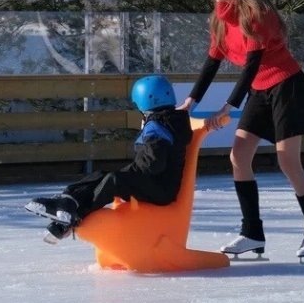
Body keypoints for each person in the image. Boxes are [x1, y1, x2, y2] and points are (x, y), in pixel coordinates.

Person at [177, 0, 304, 261]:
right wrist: (191, 100)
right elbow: (212, 61)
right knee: (239, 155)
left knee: (288, 161)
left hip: (286, 85)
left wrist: (227, 106)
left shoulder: (257, 13)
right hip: (260, 90)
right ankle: (252, 233)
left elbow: (251, 66)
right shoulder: (220, 18)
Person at [25, 75, 193, 243]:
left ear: (145, 101)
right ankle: (68, 201)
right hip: (161, 185)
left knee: (113, 180)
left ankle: (73, 215)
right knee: (102, 175)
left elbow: (153, 165)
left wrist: (127, 173)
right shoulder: (170, 121)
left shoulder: (157, 126)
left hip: (161, 191)